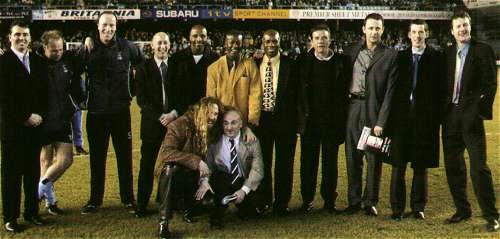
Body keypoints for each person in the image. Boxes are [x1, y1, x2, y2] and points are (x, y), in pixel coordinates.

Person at [79, 11, 144, 214]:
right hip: (96, 114)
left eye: (112, 25)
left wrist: (132, 91)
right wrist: (81, 99)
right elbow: (72, 72)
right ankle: (94, 200)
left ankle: (128, 199)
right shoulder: (88, 48)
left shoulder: (128, 47)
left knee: (125, 157)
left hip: (121, 113)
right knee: (97, 158)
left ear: (116, 27)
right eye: (104, 25)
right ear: (97, 26)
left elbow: (143, 68)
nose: (108, 29)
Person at [442, 11, 498, 232]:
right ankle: (462, 210)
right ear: (452, 30)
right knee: (453, 167)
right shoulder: (446, 54)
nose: (462, 29)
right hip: (450, 119)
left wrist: (477, 112)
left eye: (465, 25)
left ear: (470, 26)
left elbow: (490, 85)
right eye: (458, 26)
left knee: (478, 168)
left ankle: (491, 215)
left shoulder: (483, 50)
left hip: (472, 119)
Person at [387, 20, 443, 221]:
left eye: (421, 32)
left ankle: (418, 207)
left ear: (426, 34)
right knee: (398, 165)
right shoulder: (399, 57)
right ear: (409, 35)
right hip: (401, 120)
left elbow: (441, 92)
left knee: (421, 165)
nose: (418, 36)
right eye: (414, 32)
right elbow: (392, 90)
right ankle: (397, 208)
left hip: (424, 121)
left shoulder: (437, 58)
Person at [343, 13, 398, 216]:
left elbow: (390, 93)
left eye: (378, 28)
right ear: (363, 29)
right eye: (371, 28)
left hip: (374, 111)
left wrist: (381, 120)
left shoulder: (391, 55)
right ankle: (354, 200)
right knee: (352, 157)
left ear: (382, 30)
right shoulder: (351, 52)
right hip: (353, 108)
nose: (374, 32)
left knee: (373, 158)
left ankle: (370, 202)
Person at [0, 21, 48, 233]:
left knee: (32, 172)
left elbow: (44, 94)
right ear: (9, 38)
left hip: (35, 127)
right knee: (12, 174)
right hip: (13, 128)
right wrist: (25, 117)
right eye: (17, 35)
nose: (21, 38)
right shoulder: (3, 63)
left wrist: (39, 117)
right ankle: (10, 217)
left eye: (25, 35)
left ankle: (32, 212)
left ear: (30, 38)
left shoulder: (38, 62)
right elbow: (3, 99)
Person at [297, 24, 350, 214]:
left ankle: (329, 201)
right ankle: (307, 200)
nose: (321, 41)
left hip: (332, 123)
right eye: (317, 38)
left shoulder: (342, 61)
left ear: (330, 40)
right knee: (307, 164)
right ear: (311, 40)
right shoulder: (303, 61)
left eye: (324, 38)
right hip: (310, 123)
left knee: (330, 165)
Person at [155, 97, 223, 239]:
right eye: (209, 113)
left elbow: (211, 159)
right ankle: (163, 222)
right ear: (200, 111)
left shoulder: (213, 128)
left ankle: (189, 208)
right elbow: (166, 153)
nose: (213, 117)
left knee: (209, 203)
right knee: (170, 169)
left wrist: (205, 180)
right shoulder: (179, 124)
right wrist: (196, 161)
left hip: (195, 176)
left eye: (216, 114)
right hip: (176, 176)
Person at [37, 30, 85, 216]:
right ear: (45, 48)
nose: (58, 53)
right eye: (54, 50)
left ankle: (37, 194)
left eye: (61, 49)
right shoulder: (36, 63)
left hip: (63, 119)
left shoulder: (68, 60)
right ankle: (50, 202)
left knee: (66, 160)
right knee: (46, 162)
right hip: (44, 122)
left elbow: (84, 55)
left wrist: (88, 40)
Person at [254, 29, 298, 215]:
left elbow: (297, 96)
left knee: (284, 163)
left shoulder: (291, 64)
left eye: (275, 41)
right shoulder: (254, 64)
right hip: (262, 120)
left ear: (280, 42)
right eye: (268, 42)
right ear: (262, 43)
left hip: (285, 121)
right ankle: (264, 201)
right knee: (263, 162)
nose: (271, 45)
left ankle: (282, 202)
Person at [135, 32, 178, 218]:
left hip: (175, 124)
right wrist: (161, 116)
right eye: (159, 43)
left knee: (174, 163)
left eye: (165, 43)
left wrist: (173, 114)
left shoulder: (177, 66)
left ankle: (173, 202)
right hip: (153, 124)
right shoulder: (143, 68)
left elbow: (183, 94)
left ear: (170, 46)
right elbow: (142, 99)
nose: (162, 46)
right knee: (147, 165)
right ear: (151, 46)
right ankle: (142, 204)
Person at [203, 107, 264, 229]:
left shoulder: (251, 141)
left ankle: (244, 209)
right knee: (220, 180)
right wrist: (204, 182)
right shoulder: (214, 141)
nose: (229, 127)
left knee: (252, 206)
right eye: (225, 123)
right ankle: (216, 216)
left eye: (233, 123)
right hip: (223, 180)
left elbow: (258, 170)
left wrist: (243, 190)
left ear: (241, 124)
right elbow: (207, 166)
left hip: (243, 182)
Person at [206, 30, 261, 141]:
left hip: (244, 125)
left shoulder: (250, 66)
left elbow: (255, 95)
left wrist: (250, 124)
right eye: (231, 42)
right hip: (221, 125)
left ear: (243, 44)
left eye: (238, 43)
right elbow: (211, 100)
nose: (235, 46)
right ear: (225, 44)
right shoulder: (213, 68)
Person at [169, 25, 219, 116]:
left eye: (203, 36)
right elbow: (171, 87)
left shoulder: (215, 58)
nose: (199, 39)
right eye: (195, 36)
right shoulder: (177, 58)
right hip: (182, 112)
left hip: (206, 113)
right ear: (189, 38)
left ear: (207, 38)